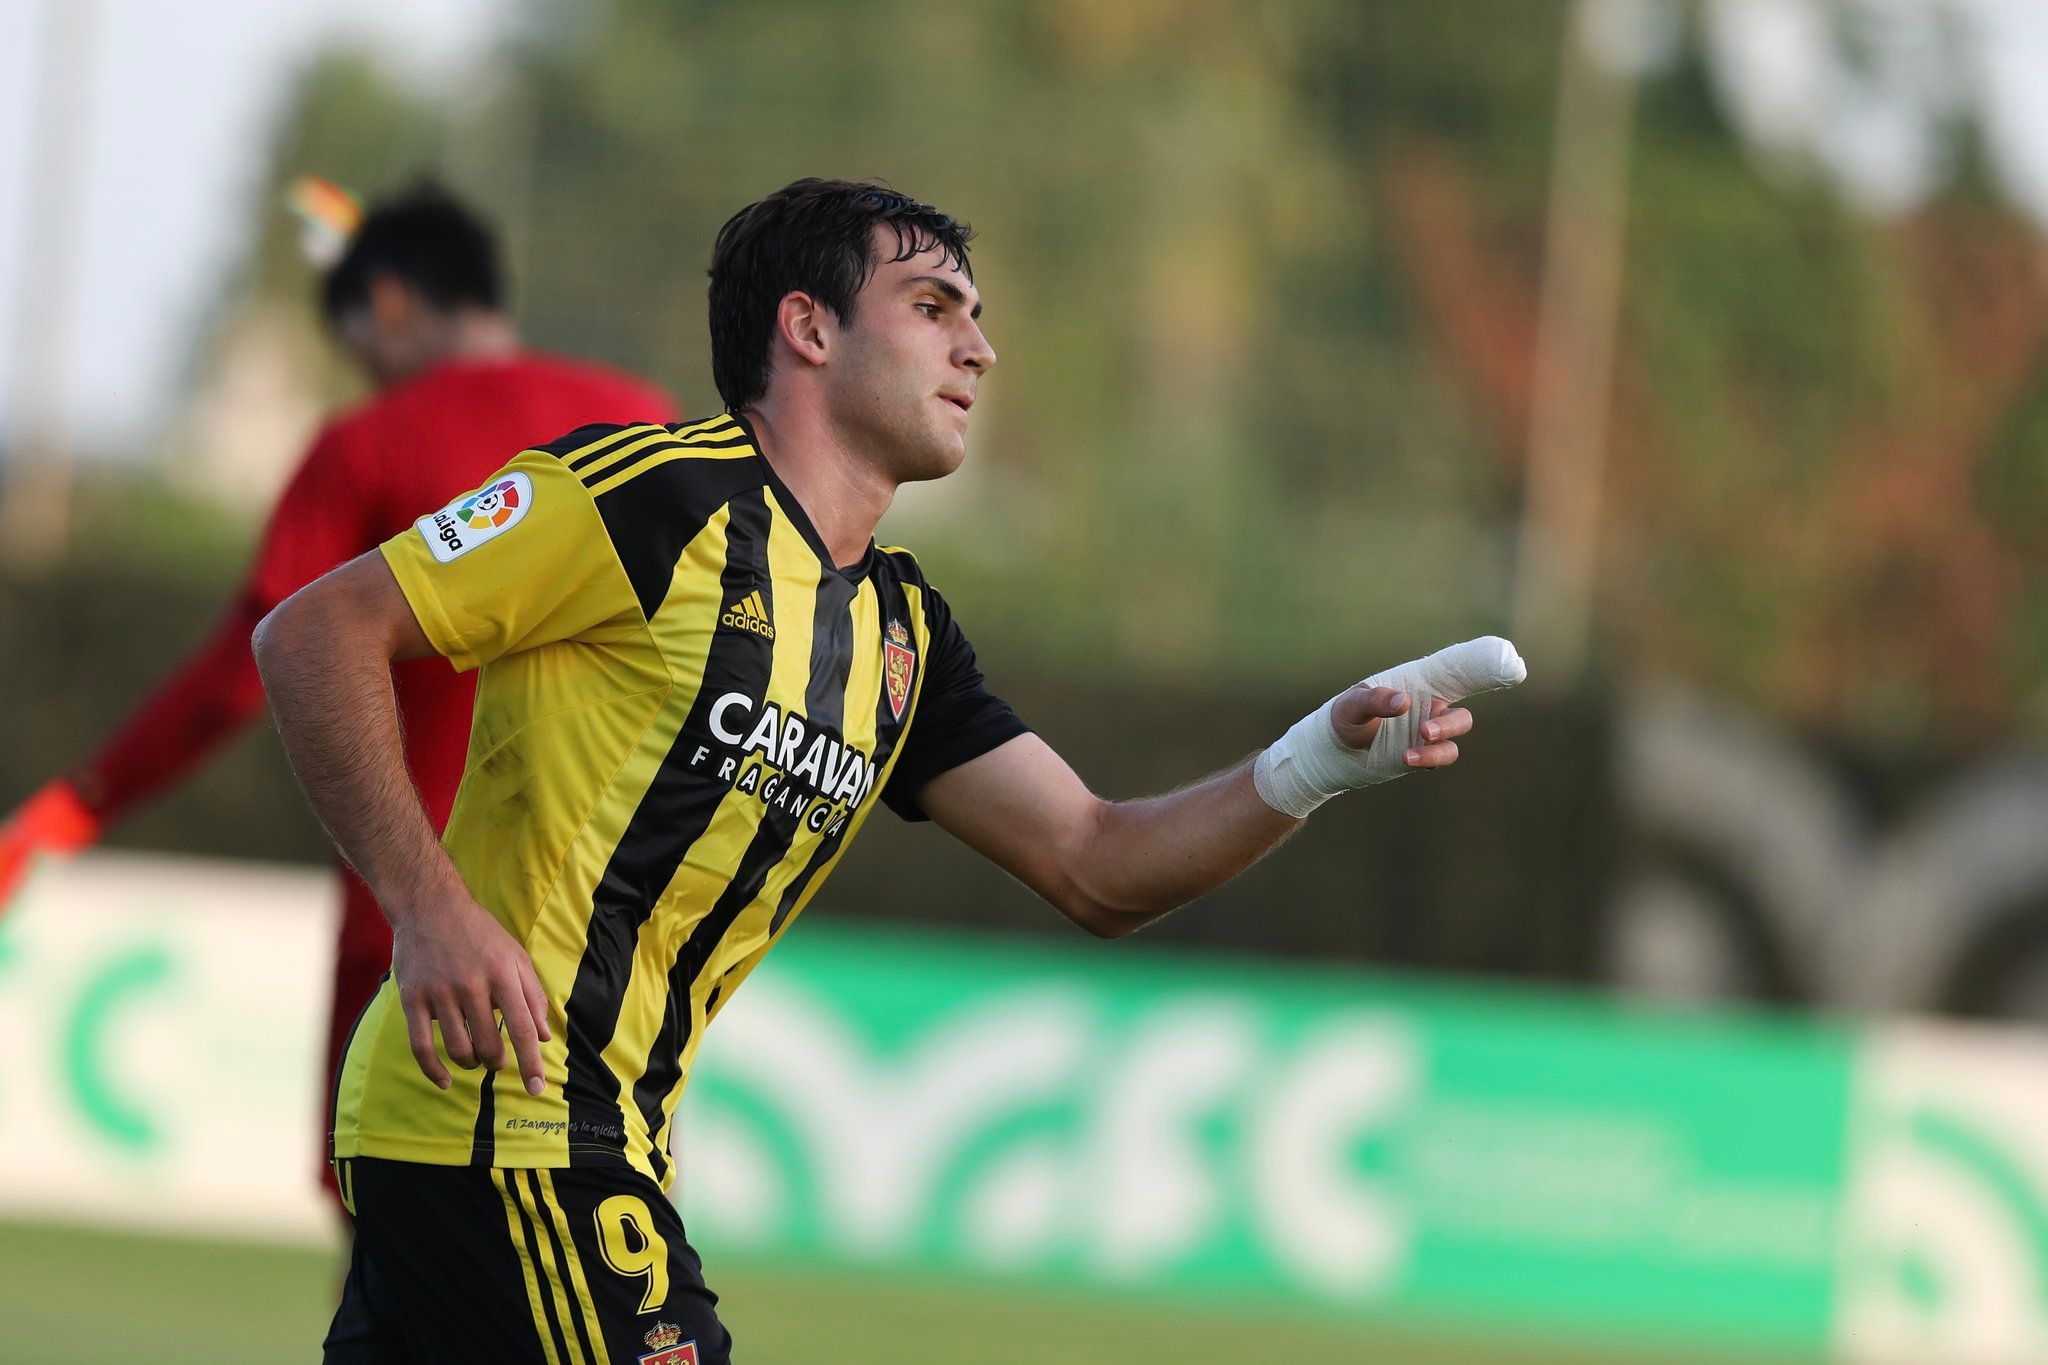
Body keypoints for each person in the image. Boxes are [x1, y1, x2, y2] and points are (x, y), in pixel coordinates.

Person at [253, 178, 1517, 1365]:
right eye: (932, 309)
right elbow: (314, 631)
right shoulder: (648, 497)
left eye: (976, 318)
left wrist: (1316, 762)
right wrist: (426, 905)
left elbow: (1097, 861)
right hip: (510, 1132)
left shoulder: (901, 636)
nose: (978, 349)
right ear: (806, 329)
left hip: (575, 1144)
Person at [0, 184, 677, 1216]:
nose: (358, 363)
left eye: (353, 332)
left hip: (415, 916)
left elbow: (240, 673)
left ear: (392, 305)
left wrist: (71, 808)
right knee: (577, 1236)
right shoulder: (649, 425)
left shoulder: (369, 444)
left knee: (388, 1237)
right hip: (607, 930)